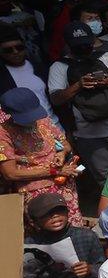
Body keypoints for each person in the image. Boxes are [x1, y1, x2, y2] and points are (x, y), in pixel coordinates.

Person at [48, 21, 108, 191]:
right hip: (88, 135)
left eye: (86, 43)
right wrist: (78, 85)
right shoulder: (59, 67)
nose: (83, 48)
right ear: (68, 45)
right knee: (107, 180)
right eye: (78, 45)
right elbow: (56, 98)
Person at [0, 87, 83, 227]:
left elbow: (65, 144)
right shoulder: (3, 133)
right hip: (37, 193)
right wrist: (55, 171)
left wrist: (61, 153)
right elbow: (10, 174)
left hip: (64, 185)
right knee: (50, 230)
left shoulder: (43, 120)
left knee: (73, 227)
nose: (32, 120)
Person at [23, 193, 105, 278]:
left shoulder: (86, 236)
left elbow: (104, 268)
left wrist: (90, 269)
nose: (55, 216)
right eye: (46, 214)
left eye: (59, 211)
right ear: (35, 221)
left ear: (68, 213)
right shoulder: (29, 244)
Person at [0, 28, 56, 123]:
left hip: (55, 126)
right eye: (8, 50)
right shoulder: (2, 78)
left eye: (19, 47)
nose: (15, 52)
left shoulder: (39, 67)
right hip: (25, 131)